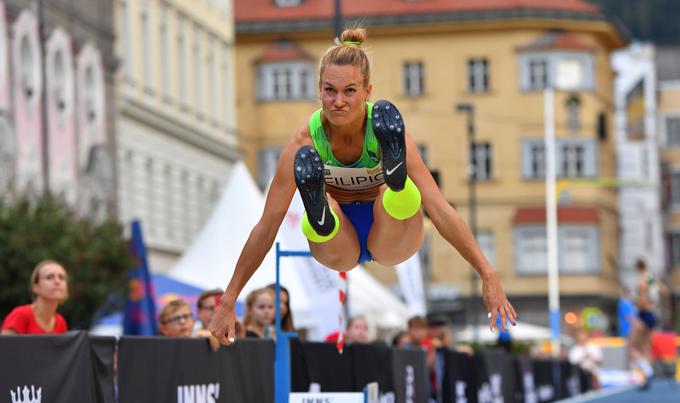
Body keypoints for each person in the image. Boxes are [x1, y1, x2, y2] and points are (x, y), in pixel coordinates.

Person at [209, 27, 516, 345]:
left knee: (395, 194)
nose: (338, 101)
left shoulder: (386, 130)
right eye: (330, 90)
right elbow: (267, 224)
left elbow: (439, 209)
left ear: (368, 91)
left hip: (391, 232)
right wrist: (230, 297)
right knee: (324, 211)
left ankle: (395, 184)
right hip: (341, 243)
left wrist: (487, 272)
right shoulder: (305, 141)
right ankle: (320, 213)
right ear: (319, 89)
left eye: (349, 91)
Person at [1, 260, 69, 335]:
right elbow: (4, 345)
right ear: (35, 287)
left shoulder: (60, 322)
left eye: (61, 278)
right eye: (49, 277)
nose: (57, 281)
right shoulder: (20, 315)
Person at [627, 259, 659, 388]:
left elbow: (643, 300)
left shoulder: (643, 281)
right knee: (646, 348)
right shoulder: (651, 280)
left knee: (632, 347)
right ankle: (647, 376)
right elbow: (655, 297)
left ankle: (648, 372)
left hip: (644, 316)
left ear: (638, 268)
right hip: (650, 315)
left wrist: (637, 305)